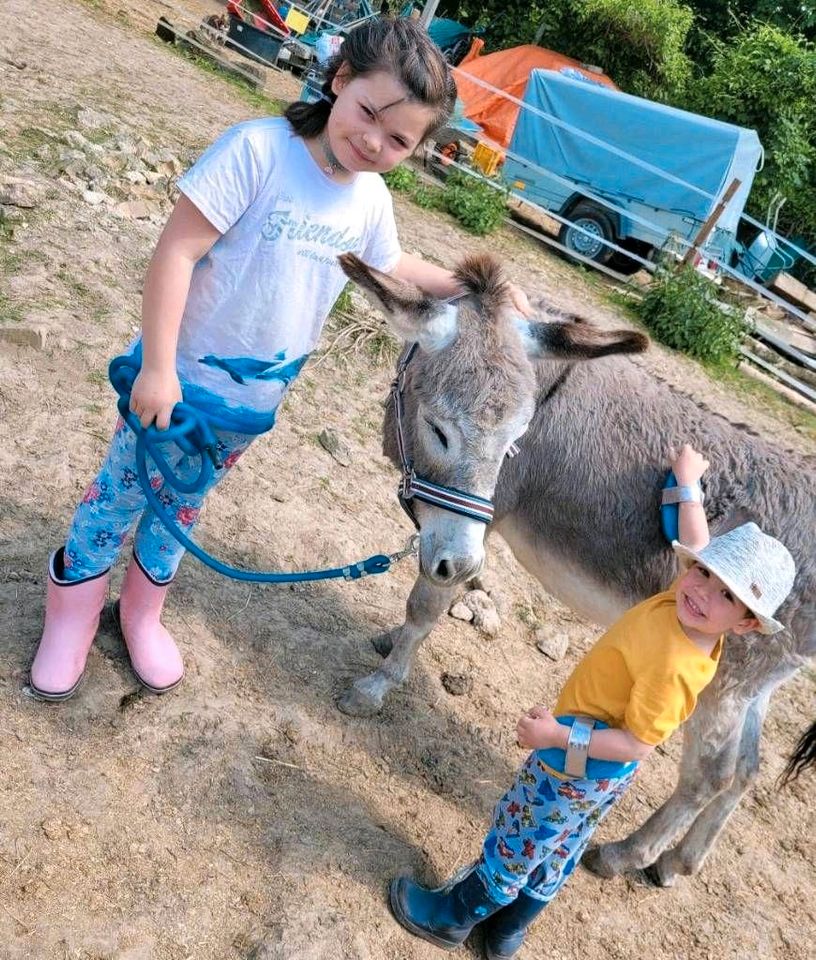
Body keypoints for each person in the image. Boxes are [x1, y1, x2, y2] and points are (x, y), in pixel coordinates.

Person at [29, 17, 532, 702]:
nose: (373, 143)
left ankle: (141, 614)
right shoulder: (257, 152)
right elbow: (176, 251)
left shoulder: (369, 199)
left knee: (182, 509)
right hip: (172, 390)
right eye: (368, 116)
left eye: (398, 140)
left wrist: (480, 288)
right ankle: (72, 620)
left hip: (247, 411)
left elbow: (391, 263)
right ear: (340, 80)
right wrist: (159, 368)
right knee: (116, 499)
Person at [388, 444, 797, 958]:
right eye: (704, 573)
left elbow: (636, 744)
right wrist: (687, 483)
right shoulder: (690, 607)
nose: (702, 590)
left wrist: (557, 736)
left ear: (745, 624)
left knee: (521, 833)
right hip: (596, 771)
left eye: (726, 595)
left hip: (580, 759)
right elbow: (693, 541)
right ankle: (508, 930)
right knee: (559, 845)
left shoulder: (675, 664)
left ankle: (452, 919)